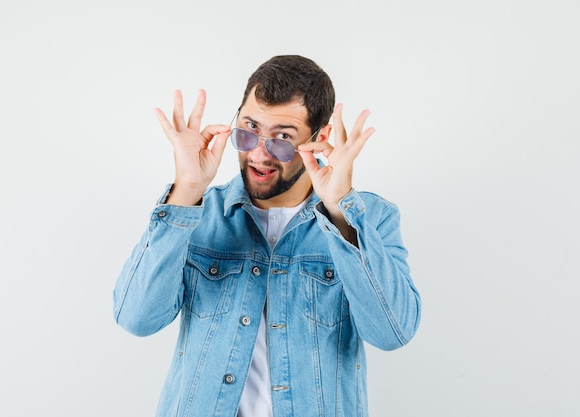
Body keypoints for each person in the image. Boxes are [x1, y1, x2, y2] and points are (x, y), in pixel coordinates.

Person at [113, 55, 421, 417]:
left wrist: (340, 211)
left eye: (283, 138)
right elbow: (136, 318)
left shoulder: (370, 219)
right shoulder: (198, 213)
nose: (259, 153)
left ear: (319, 138)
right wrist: (185, 192)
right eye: (249, 130)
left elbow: (392, 333)